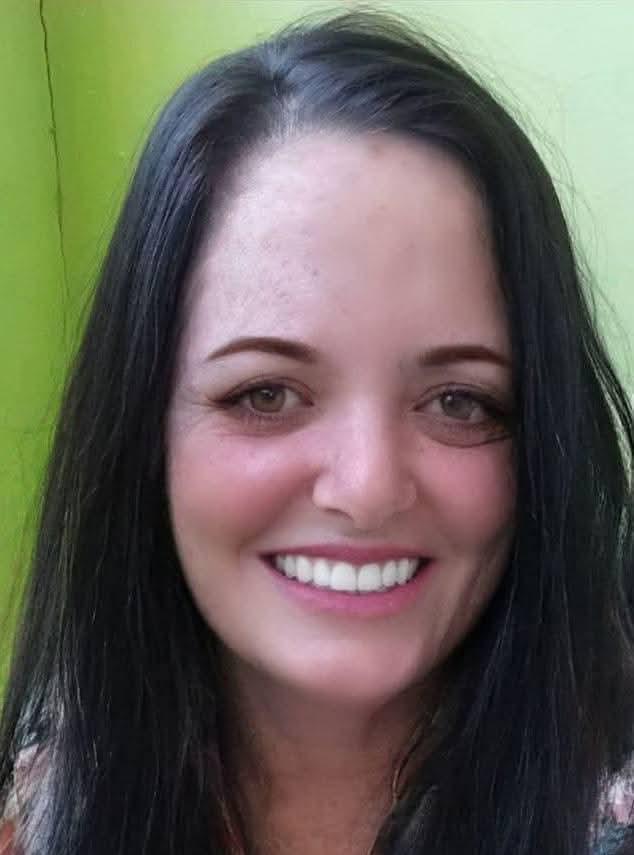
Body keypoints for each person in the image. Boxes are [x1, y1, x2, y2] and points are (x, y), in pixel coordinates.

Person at [0, 10, 632, 855]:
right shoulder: (38, 810)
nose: (367, 488)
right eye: (265, 393)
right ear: (144, 428)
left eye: (459, 401)